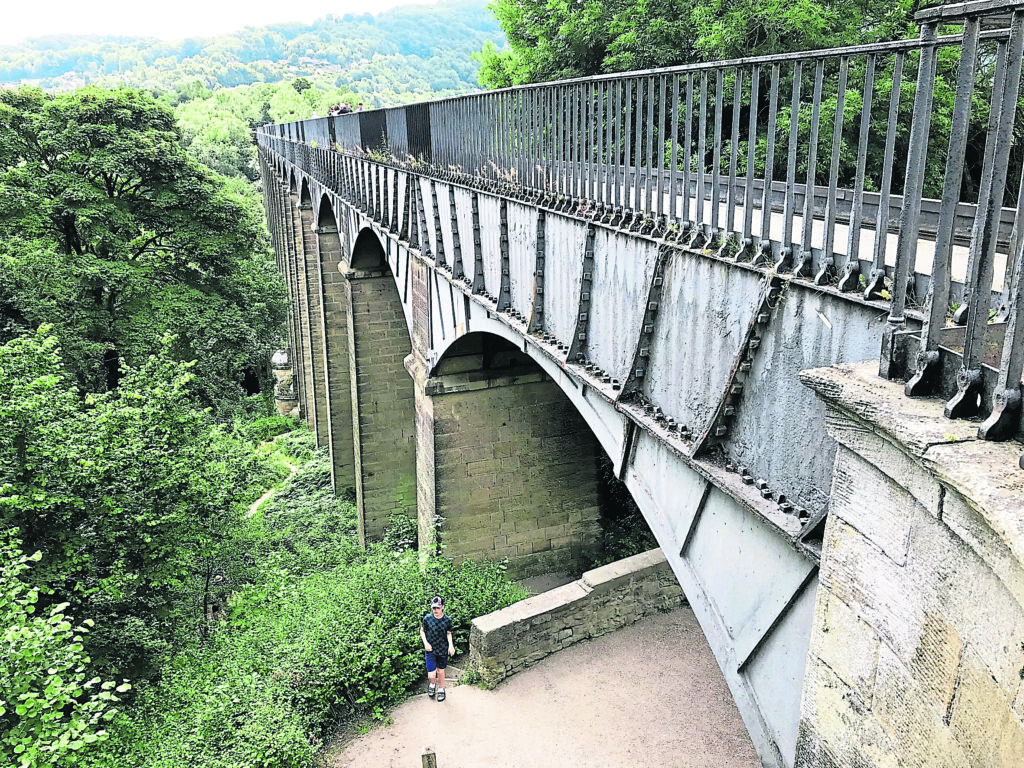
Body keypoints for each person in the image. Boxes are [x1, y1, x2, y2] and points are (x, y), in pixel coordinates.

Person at [420, 595, 455, 702]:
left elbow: (448, 633)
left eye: (438, 608)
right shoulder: (427, 619)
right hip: (430, 650)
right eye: (434, 608)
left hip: (442, 649)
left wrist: (451, 645)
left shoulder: (447, 620)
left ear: (443, 607)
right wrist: (426, 643)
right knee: (431, 675)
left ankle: (441, 689)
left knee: (440, 671)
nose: (435, 610)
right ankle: (432, 684)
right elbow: (422, 631)